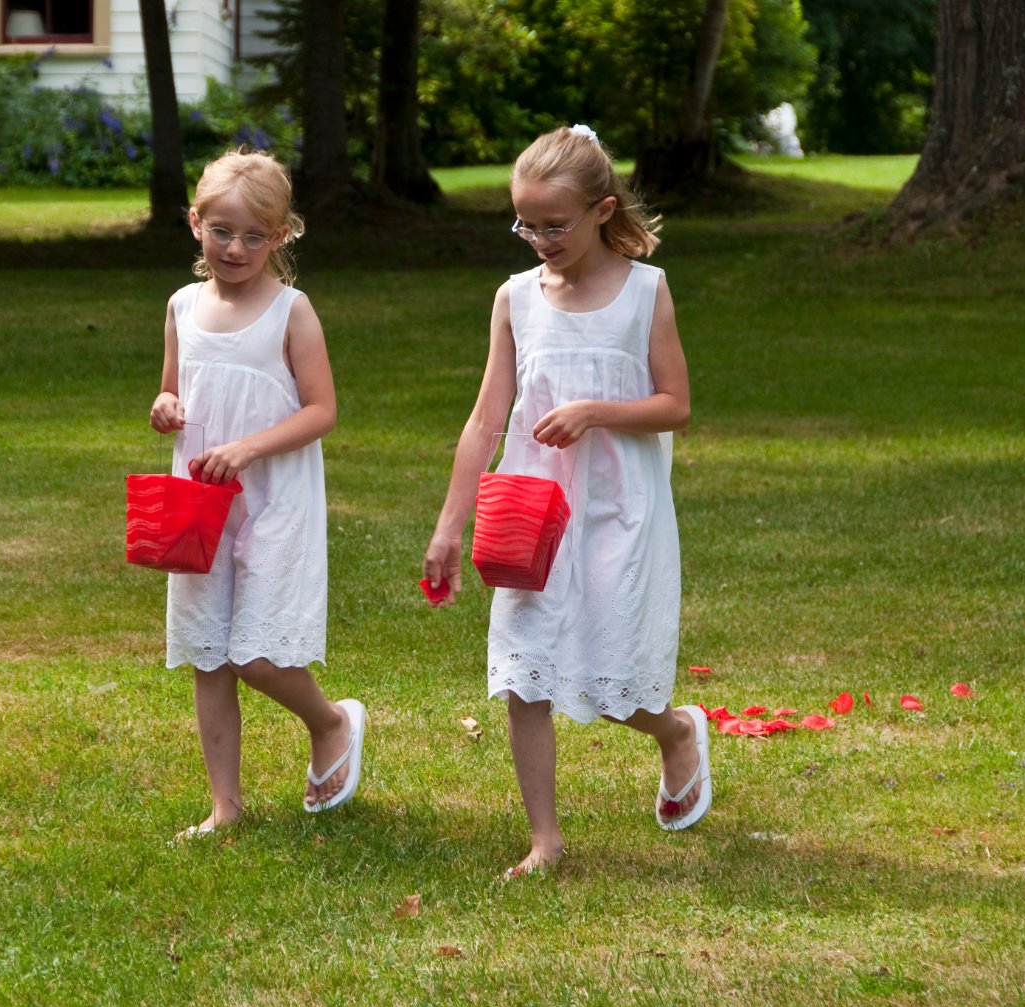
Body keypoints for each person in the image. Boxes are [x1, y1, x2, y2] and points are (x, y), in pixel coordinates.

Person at [422, 125, 707, 879]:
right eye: (525, 224)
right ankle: (544, 840)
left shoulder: (645, 291)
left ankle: (676, 733)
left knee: (610, 674)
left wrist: (593, 412)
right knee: (526, 673)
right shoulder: (516, 298)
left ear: (602, 210)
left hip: (619, 508)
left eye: (555, 225)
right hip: (532, 510)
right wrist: (449, 527)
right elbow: (484, 419)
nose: (540, 240)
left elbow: (675, 405)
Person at [148, 149, 367, 840]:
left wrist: (247, 449)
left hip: (273, 501)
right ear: (195, 223)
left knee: (257, 657)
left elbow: (321, 411)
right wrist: (164, 406)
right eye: (221, 232)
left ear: (279, 236)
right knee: (208, 655)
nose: (235, 249)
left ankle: (331, 722)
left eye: (252, 236)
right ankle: (226, 805)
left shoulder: (290, 313)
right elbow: (173, 388)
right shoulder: (182, 306)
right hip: (201, 504)